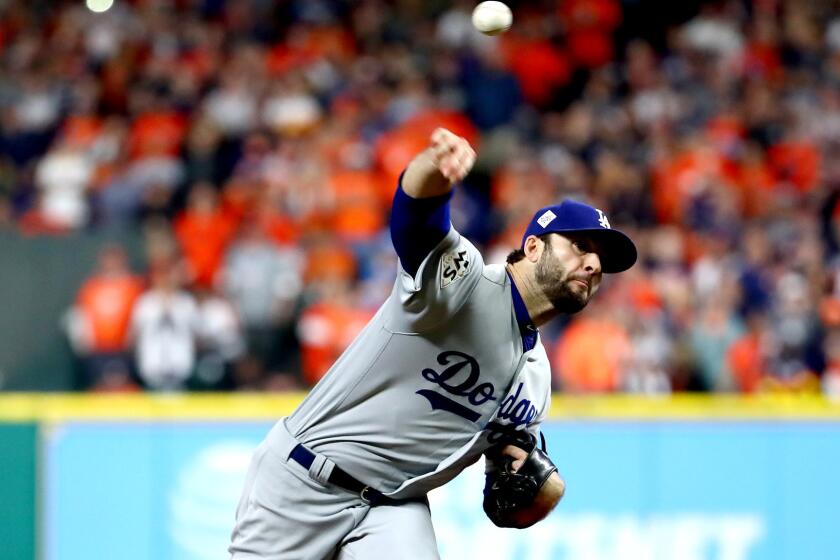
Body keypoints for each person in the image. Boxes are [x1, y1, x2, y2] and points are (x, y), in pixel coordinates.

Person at [229, 128, 637, 559]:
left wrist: (519, 469)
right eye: (579, 246)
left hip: (392, 506)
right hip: (305, 478)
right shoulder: (465, 283)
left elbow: (506, 472)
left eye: (602, 261)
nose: (592, 264)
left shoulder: (536, 378)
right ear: (533, 247)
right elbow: (416, 220)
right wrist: (433, 169)